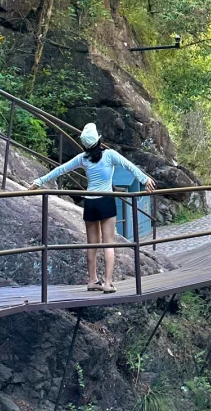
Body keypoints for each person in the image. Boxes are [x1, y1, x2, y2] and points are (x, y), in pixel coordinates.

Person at [40, 123, 156, 292]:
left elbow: (60, 170)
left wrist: (39, 181)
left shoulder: (83, 158)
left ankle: (92, 280)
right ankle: (108, 283)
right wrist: (145, 179)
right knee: (108, 243)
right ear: (99, 140)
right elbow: (129, 165)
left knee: (91, 244)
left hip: (90, 203)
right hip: (106, 200)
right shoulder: (109, 155)